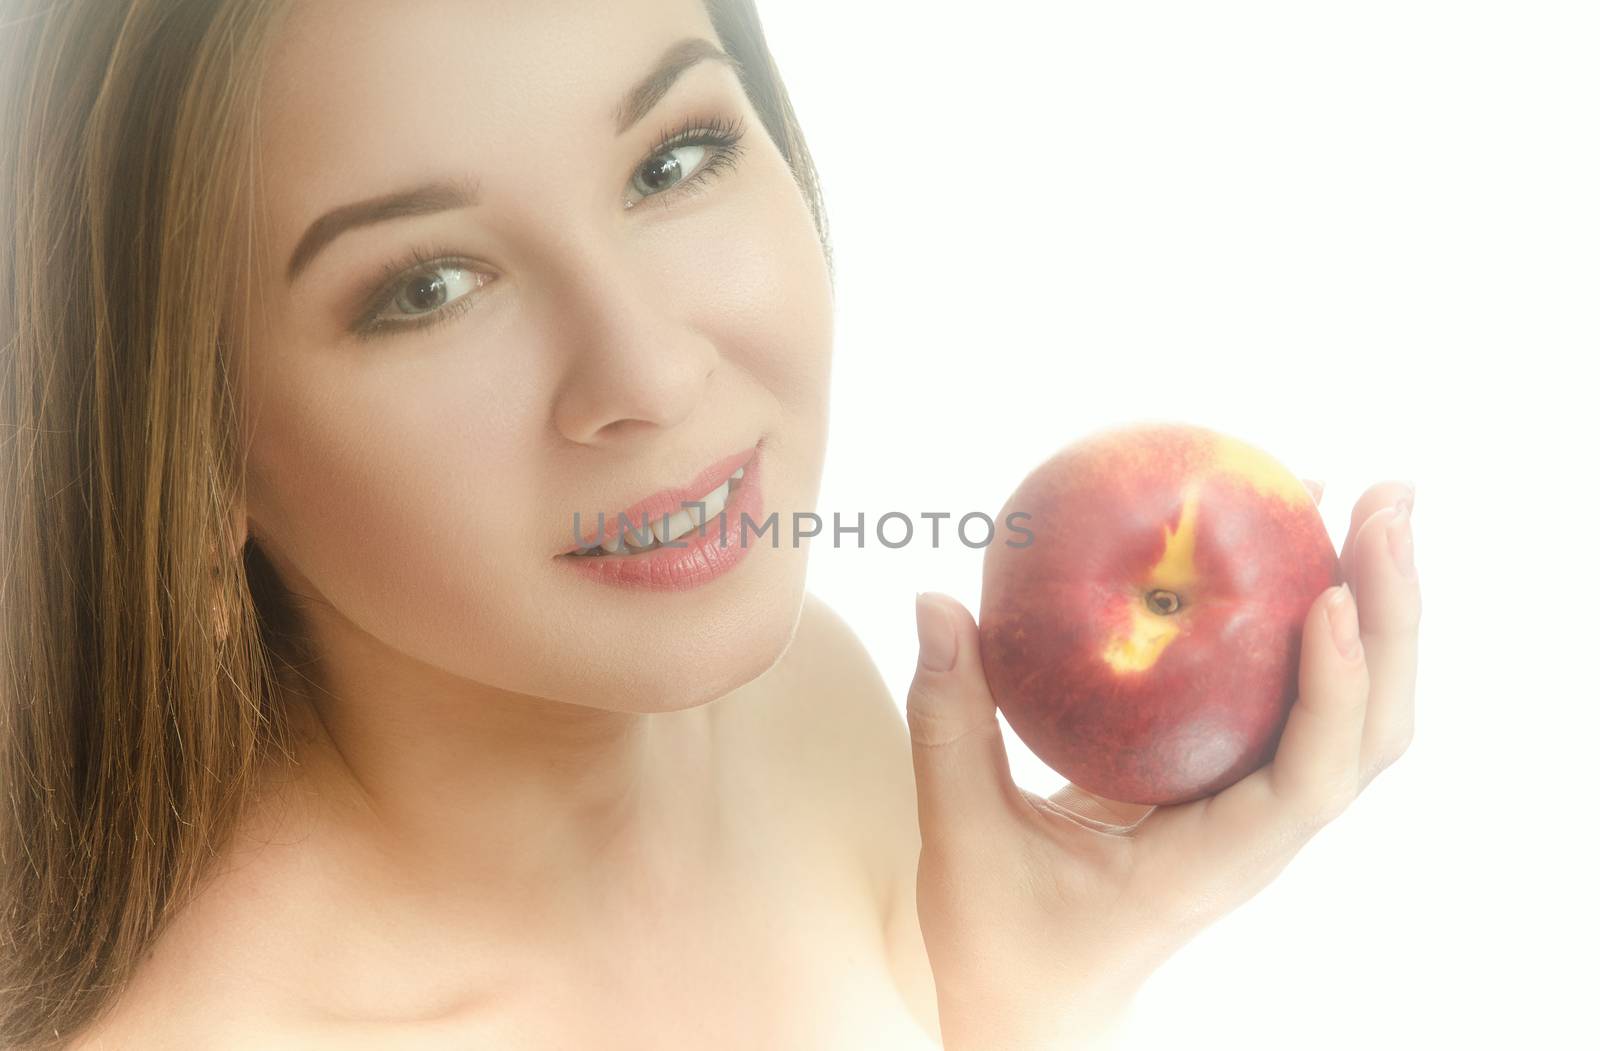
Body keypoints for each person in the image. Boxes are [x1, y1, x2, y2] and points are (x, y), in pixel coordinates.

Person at [0, 1, 1421, 1047]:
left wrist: (1041, 991)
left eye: (672, 160)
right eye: (427, 286)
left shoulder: (810, 711)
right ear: (185, 453)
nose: (651, 371)